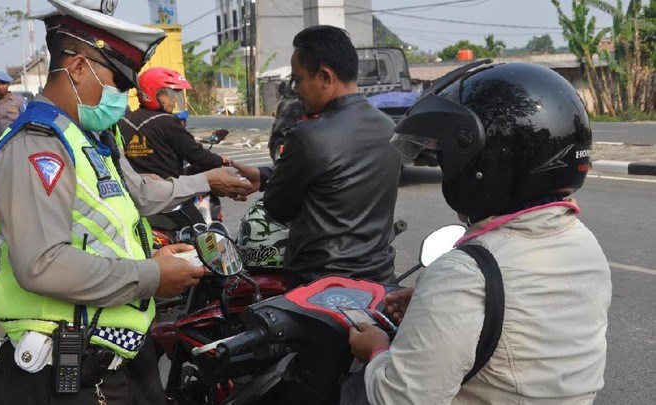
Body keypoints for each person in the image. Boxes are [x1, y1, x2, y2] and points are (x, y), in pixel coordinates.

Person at [0, 1, 252, 404]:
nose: (123, 99)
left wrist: (162, 256)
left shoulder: (91, 137)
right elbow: (41, 264)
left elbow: (131, 200)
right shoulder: (37, 147)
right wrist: (151, 275)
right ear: (77, 68)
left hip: (116, 355)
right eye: (119, 85)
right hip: (62, 372)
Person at [348, 61, 612, 404]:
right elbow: (531, 323)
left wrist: (376, 350)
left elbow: (400, 398)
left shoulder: (464, 274)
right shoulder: (582, 242)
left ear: (483, 163)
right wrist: (435, 303)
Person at [233, 25, 402, 288]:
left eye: (298, 80)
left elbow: (277, 208)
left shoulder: (308, 135)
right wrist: (266, 176)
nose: (296, 89)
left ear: (324, 76)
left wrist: (271, 181)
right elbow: (339, 179)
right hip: (380, 280)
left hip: (321, 287)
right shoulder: (388, 127)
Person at [118, 67, 236, 227]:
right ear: (151, 93)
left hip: (137, 198)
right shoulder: (168, 121)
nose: (173, 100)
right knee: (205, 238)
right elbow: (195, 154)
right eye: (168, 94)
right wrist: (220, 162)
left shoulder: (123, 122)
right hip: (170, 197)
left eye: (175, 95)